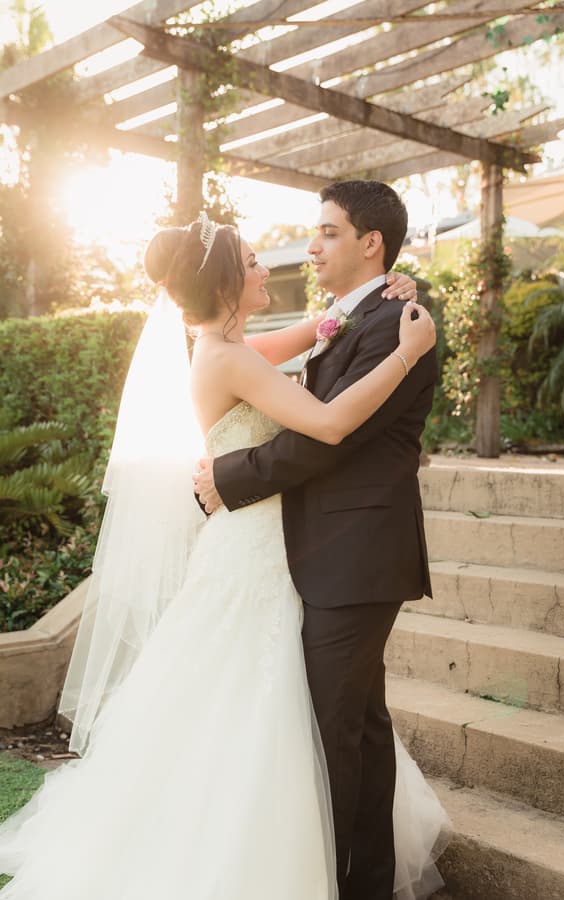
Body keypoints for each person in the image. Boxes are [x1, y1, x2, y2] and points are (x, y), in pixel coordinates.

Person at [0, 202, 447, 900]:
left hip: (270, 544)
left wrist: (383, 299)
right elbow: (328, 423)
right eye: (250, 263)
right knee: (256, 706)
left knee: (281, 707)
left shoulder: (227, 347)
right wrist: (404, 353)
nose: (266, 265)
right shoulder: (227, 358)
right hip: (254, 553)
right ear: (223, 285)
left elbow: (320, 329)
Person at [193, 180, 442, 900]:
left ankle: (340, 883)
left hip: (358, 555)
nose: (310, 245)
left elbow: (330, 437)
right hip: (329, 554)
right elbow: (310, 406)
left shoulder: (402, 318)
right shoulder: (351, 316)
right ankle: (357, 881)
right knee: (353, 728)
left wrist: (228, 477)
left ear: (371, 244)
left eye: (328, 232)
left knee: (337, 733)